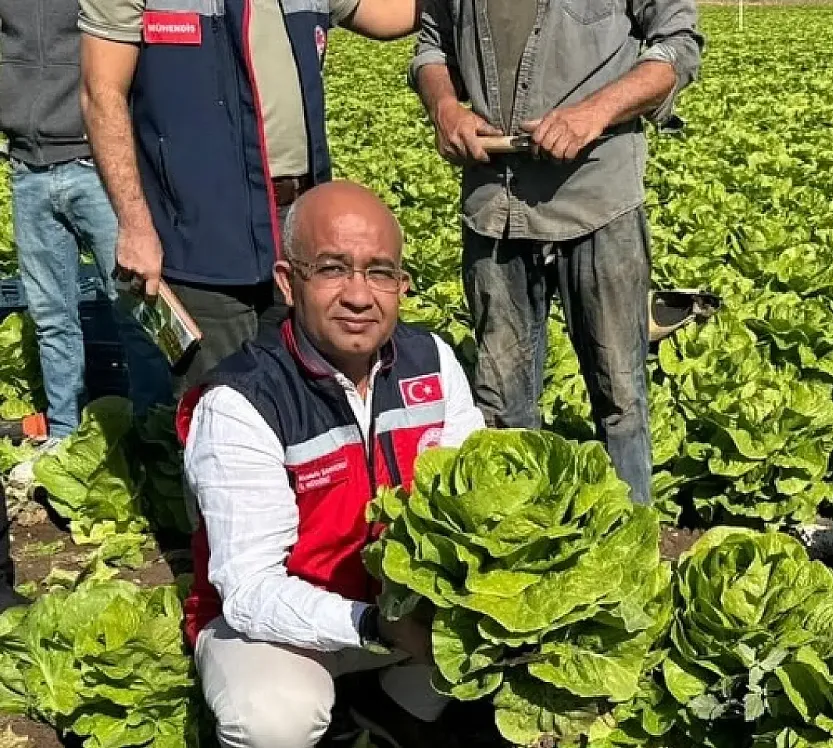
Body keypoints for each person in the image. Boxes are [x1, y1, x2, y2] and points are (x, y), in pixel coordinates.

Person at [176, 180, 485, 748]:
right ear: (288, 283)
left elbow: (473, 510)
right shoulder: (242, 402)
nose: (360, 295)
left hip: (402, 613)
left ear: (403, 285)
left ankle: (389, 708)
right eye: (333, 269)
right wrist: (375, 623)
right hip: (279, 630)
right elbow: (249, 591)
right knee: (274, 717)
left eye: (380, 271)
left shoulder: (434, 362)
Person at [412, 0, 704, 505]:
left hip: (597, 199)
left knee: (620, 397)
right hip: (494, 205)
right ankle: (520, 549)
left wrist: (596, 112)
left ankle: (629, 546)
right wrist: (444, 106)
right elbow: (432, 47)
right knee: (502, 403)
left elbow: (678, 46)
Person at [78, 0, 424, 393]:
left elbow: (389, 13)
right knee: (216, 400)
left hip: (298, 227)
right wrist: (135, 226)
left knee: (305, 397)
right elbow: (101, 93)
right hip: (196, 234)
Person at [0, 0, 173, 449]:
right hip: (27, 166)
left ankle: (152, 437)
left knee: (137, 309)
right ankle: (63, 435)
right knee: (50, 316)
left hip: (95, 165)